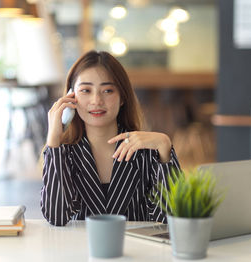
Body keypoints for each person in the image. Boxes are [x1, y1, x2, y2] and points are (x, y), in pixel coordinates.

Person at [41, 50, 180, 226]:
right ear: (70, 97)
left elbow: (172, 220)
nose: (97, 100)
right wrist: (53, 140)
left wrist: (164, 146)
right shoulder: (64, 152)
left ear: (122, 97)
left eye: (107, 90)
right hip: (80, 251)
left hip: (137, 250)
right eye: (86, 90)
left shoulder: (146, 150)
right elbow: (56, 217)